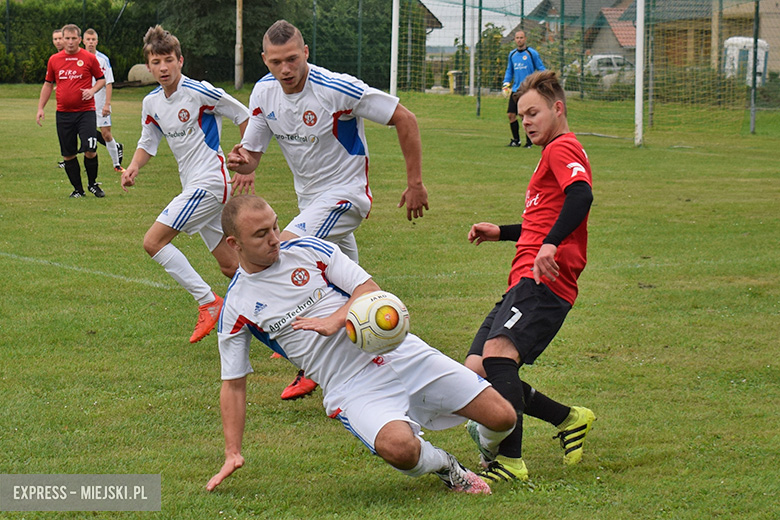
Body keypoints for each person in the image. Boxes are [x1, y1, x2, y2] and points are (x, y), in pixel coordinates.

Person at [205, 194, 517, 494]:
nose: (274, 238)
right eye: (261, 234)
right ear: (235, 244)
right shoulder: (237, 307)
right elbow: (233, 384)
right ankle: (446, 467)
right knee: (400, 449)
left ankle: (484, 443)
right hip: (350, 384)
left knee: (503, 418)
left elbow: (368, 289)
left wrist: (337, 319)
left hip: (399, 351)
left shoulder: (308, 251)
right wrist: (232, 451)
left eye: (275, 226)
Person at [227, 19, 429, 400]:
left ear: (305, 53)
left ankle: (304, 360)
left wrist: (415, 183)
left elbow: (405, 118)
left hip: (346, 196)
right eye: (275, 62)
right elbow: (252, 156)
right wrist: (242, 161)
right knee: (352, 292)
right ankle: (400, 356)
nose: (285, 70)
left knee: (282, 248)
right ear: (264, 60)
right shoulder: (264, 93)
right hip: (310, 202)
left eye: (291, 59)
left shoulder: (336, 88)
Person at [465, 70, 595, 484]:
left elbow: (581, 196)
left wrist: (551, 245)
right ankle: (568, 418)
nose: (528, 122)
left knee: (499, 358)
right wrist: (502, 232)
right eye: (522, 116)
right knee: (476, 370)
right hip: (523, 279)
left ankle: (511, 461)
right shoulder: (549, 154)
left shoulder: (563, 148)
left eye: (534, 112)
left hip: (544, 283)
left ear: (558, 108)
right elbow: (543, 223)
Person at [120, 26, 255, 343]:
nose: (163, 67)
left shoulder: (200, 92)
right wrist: (134, 167)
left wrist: (247, 158)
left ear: (180, 60)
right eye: (156, 62)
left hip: (209, 182)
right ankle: (281, 317)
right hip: (193, 186)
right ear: (149, 65)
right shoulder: (151, 102)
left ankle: (209, 303)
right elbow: (148, 141)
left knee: (153, 242)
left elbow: (244, 114)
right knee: (231, 266)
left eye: (168, 60)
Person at [37, 24, 106, 198]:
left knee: (90, 149)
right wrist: (40, 108)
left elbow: (101, 80)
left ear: (79, 40)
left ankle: (92, 184)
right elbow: (48, 84)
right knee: (68, 154)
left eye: (73, 38)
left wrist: (92, 91)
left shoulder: (89, 58)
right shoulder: (54, 60)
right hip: (63, 114)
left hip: (86, 111)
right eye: (66, 38)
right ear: (62, 39)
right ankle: (78, 190)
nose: (69, 42)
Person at [83, 28, 124, 174]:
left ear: (97, 42)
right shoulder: (78, 58)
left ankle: (117, 164)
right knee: (83, 132)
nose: (90, 42)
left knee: (106, 134)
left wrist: (107, 104)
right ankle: (87, 162)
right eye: (88, 40)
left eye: (93, 40)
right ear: (83, 41)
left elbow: (108, 83)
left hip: (100, 104)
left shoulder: (103, 60)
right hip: (83, 105)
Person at [502, 30, 545, 148]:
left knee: (526, 116)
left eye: (521, 37)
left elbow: (541, 68)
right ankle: (516, 140)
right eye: (517, 38)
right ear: (515, 40)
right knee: (511, 114)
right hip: (516, 89)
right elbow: (509, 70)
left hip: (528, 90)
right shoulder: (512, 54)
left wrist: (542, 82)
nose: (519, 40)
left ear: (525, 39)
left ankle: (529, 141)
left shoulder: (532, 53)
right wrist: (506, 83)